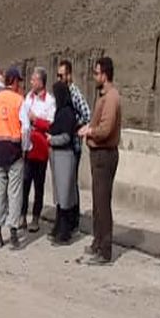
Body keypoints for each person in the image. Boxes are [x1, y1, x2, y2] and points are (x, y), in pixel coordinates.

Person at [78, 57, 121, 265]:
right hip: (98, 154)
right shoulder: (103, 96)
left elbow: (105, 129)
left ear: (104, 74)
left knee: (103, 203)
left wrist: (90, 130)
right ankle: (97, 242)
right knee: (97, 201)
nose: (94, 76)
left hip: (105, 154)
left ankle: (105, 250)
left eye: (96, 73)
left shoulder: (111, 97)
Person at [0, 67, 25, 250]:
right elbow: (25, 128)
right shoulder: (19, 100)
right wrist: (25, 148)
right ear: (15, 81)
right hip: (14, 150)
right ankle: (13, 232)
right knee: (14, 193)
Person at [57, 60, 91, 234]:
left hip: (74, 145)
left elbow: (87, 113)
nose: (60, 78)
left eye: (62, 75)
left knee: (71, 183)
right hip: (64, 146)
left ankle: (73, 220)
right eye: (58, 75)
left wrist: (74, 125)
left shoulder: (74, 93)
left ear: (69, 75)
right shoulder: (62, 93)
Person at [19, 67, 55, 233]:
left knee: (38, 186)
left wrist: (36, 120)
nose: (31, 82)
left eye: (34, 80)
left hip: (41, 149)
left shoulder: (49, 101)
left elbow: (50, 124)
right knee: (24, 183)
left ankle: (35, 217)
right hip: (28, 147)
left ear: (41, 82)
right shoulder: (28, 97)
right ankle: (22, 215)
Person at [48, 81, 80, 244]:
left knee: (65, 195)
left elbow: (66, 136)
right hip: (57, 157)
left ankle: (65, 231)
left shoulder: (67, 113)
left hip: (65, 157)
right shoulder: (60, 112)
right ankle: (58, 226)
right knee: (60, 196)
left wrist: (51, 139)